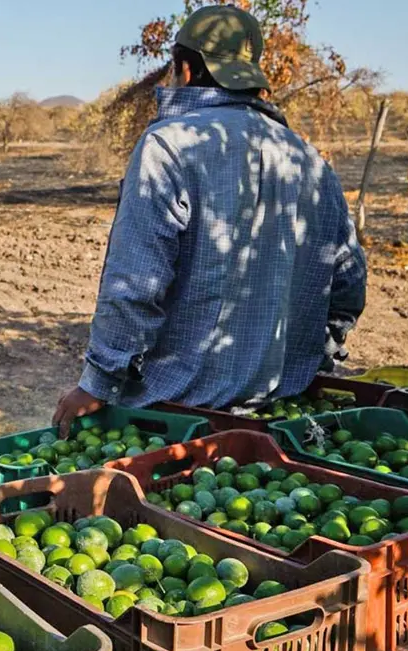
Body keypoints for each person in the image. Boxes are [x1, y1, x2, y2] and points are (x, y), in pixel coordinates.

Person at [54, 5, 367, 435]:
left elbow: (136, 283)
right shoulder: (309, 159)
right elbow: (348, 284)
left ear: (184, 69)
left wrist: (98, 381)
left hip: (175, 419)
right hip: (280, 418)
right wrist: (310, 358)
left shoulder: (169, 146)